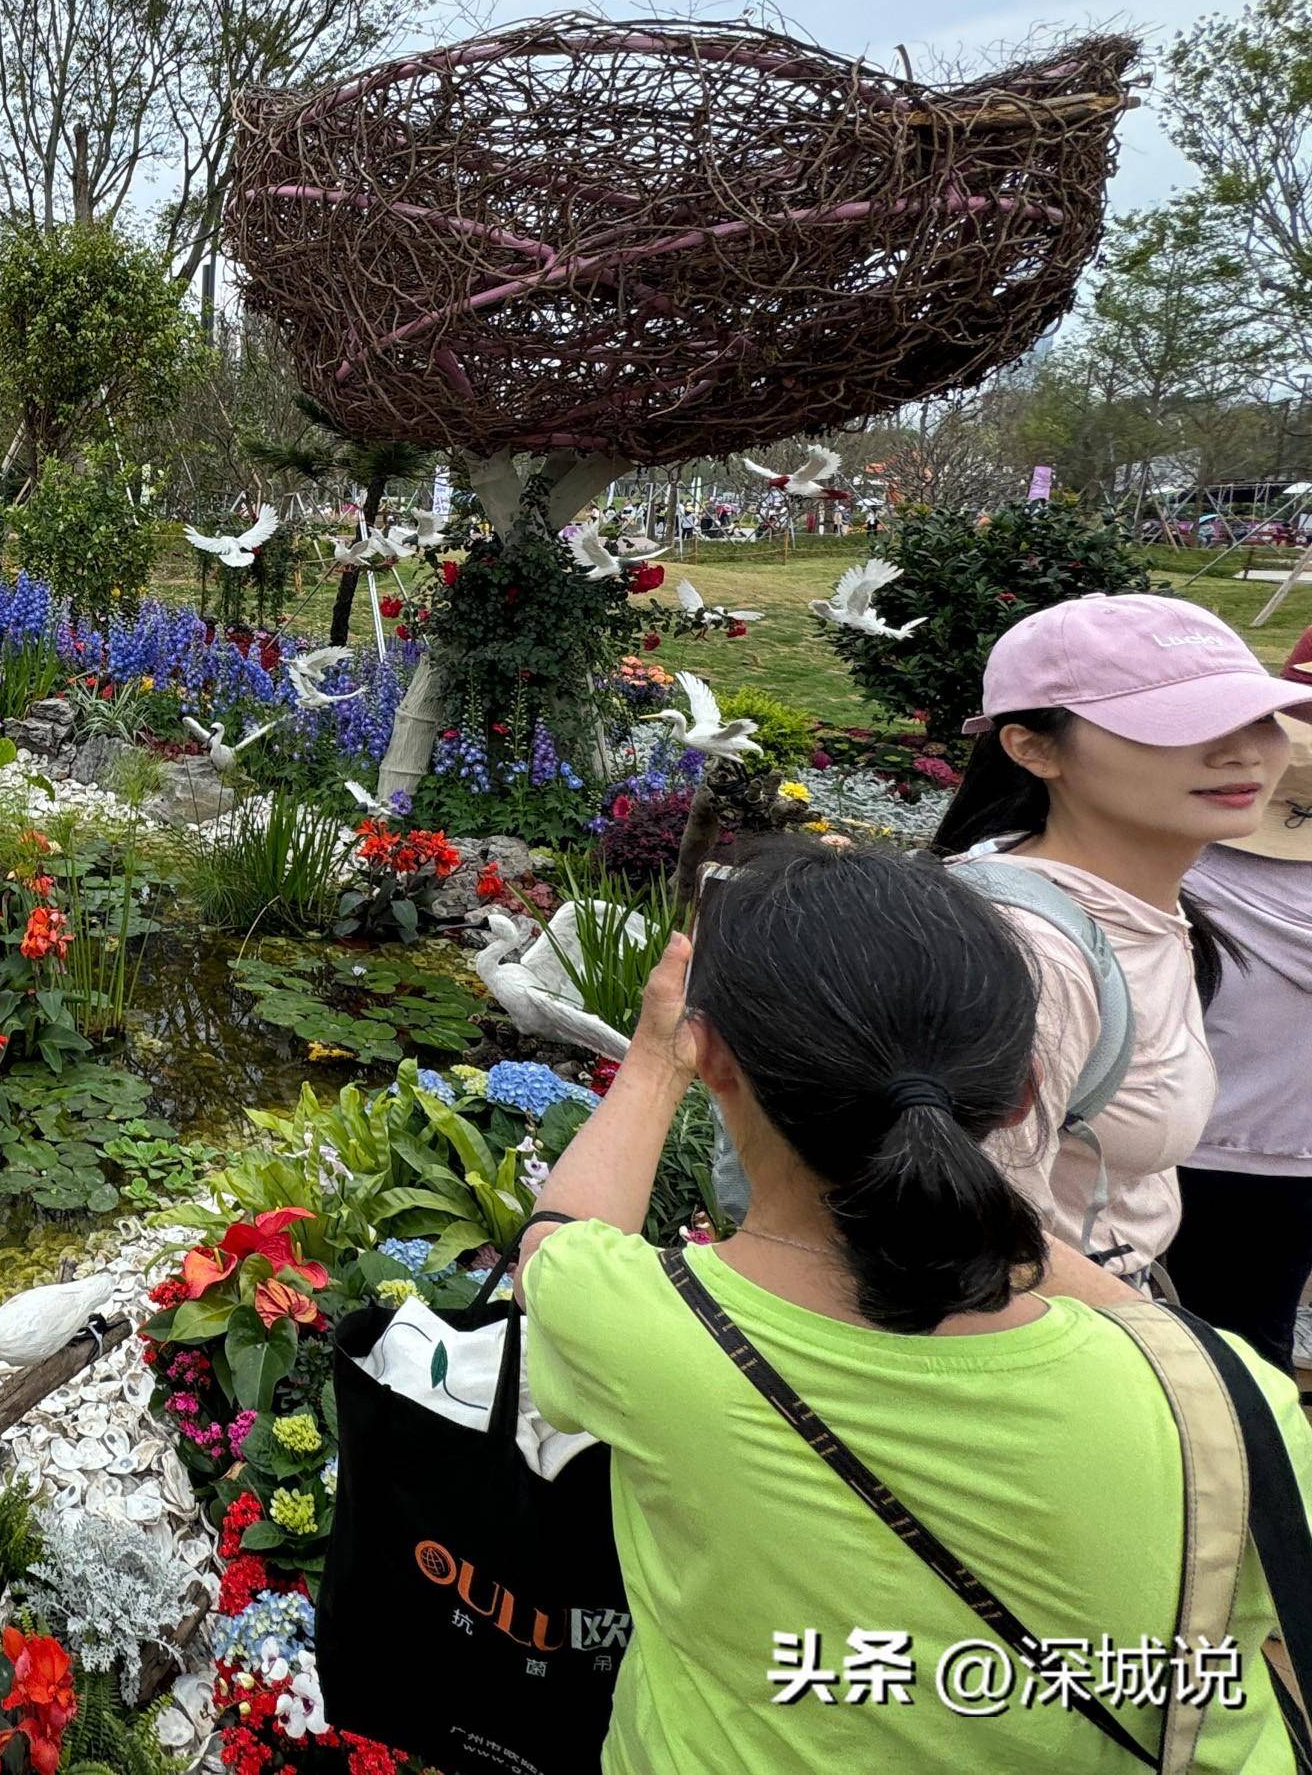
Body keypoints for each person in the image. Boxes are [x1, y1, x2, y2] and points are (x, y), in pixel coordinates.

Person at [520, 841, 1312, 1771]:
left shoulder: (648, 1330)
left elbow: (557, 1240)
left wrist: (658, 1059)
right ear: (1023, 1093)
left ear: (719, 1061)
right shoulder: (1231, 1406)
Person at [926, 594, 1309, 1299]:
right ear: (1032, 747)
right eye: (1177, 723)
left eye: (1255, 714)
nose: (1243, 750)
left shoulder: (1149, 915)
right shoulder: (1023, 951)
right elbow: (966, 1236)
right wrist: (1185, 1361)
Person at [1165, 624, 1312, 1364]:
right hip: (1292, 1147)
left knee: (1208, 1356)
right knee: (1262, 1343)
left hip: (1196, 1144)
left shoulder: (1182, 869)